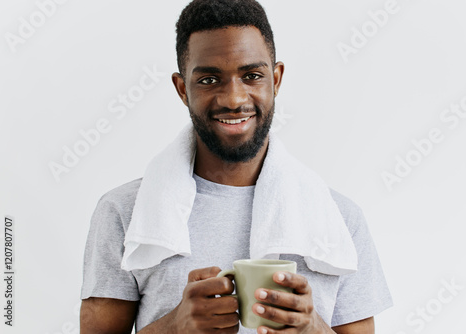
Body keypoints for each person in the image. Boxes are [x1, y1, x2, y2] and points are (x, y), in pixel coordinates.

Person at [79, 0, 393, 333]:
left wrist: (313, 329)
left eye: (252, 76)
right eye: (209, 80)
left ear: (276, 78)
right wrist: (174, 326)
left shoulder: (340, 219)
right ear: (182, 89)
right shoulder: (124, 212)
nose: (233, 98)